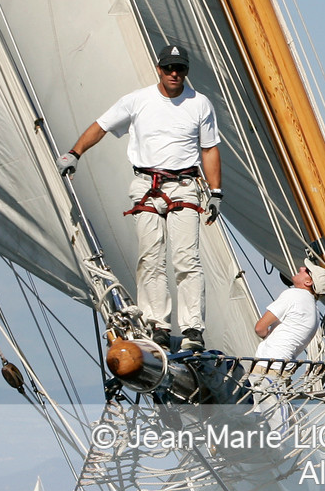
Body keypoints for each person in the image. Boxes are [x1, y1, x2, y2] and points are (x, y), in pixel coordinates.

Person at [59, 43, 221, 350]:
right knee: (150, 257)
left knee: (187, 259)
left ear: (186, 71)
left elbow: (210, 148)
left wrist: (216, 193)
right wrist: (74, 153)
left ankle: (192, 330)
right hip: (147, 184)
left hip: (184, 185)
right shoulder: (137, 101)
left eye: (180, 69)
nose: (174, 74)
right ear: (159, 69)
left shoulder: (200, 104)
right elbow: (101, 126)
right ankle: (156, 322)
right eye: (169, 68)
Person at [254, 262, 325, 363]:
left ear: (308, 282)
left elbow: (259, 328)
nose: (302, 268)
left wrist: (268, 337)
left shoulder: (293, 295)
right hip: (285, 366)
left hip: (268, 364)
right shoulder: (314, 310)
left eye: (307, 271)